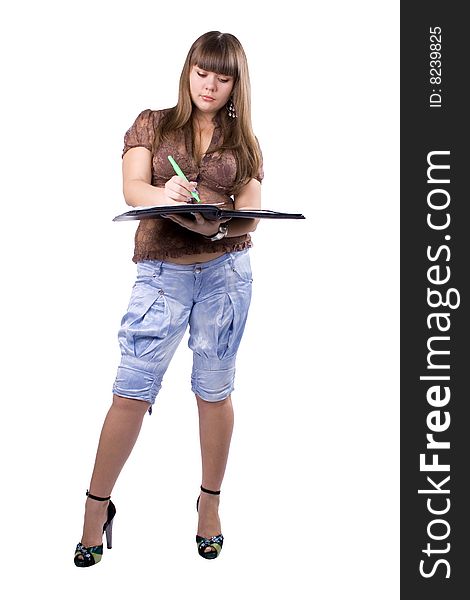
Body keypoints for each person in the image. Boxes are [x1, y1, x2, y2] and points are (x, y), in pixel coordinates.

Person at [74, 31, 263, 567]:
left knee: (214, 391)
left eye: (223, 77)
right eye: (202, 72)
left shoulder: (244, 141)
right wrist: (166, 196)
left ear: (235, 84)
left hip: (226, 276)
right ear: (188, 71)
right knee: (131, 392)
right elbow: (133, 188)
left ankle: (209, 506)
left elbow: (251, 212)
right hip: (161, 276)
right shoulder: (153, 124)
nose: (210, 85)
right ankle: (96, 508)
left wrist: (217, 218)